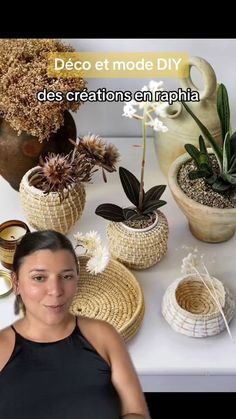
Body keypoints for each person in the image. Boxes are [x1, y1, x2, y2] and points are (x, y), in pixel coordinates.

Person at [0, 230, 150, 419]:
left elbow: (135, 412)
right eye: (39, 278)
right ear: (16, 283)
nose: (56, 291)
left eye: (67, 276)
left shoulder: (103, 336)